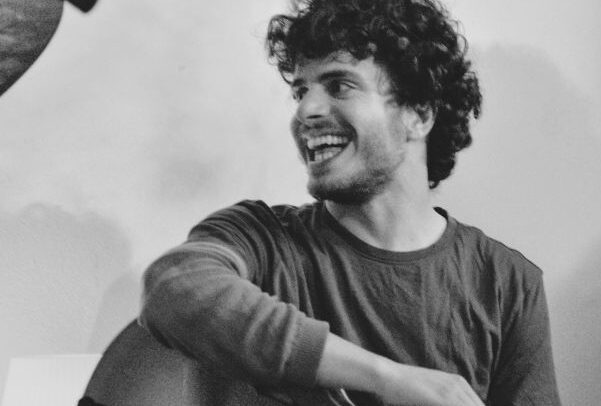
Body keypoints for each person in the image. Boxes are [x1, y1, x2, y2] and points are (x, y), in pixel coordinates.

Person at [139, 0, 561, 405]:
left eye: (339, 85)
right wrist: (386, 378)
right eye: (301, 91)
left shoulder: (507, 284)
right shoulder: (257, 239)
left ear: (418, 114)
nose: (306, 110)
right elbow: (173, 288)